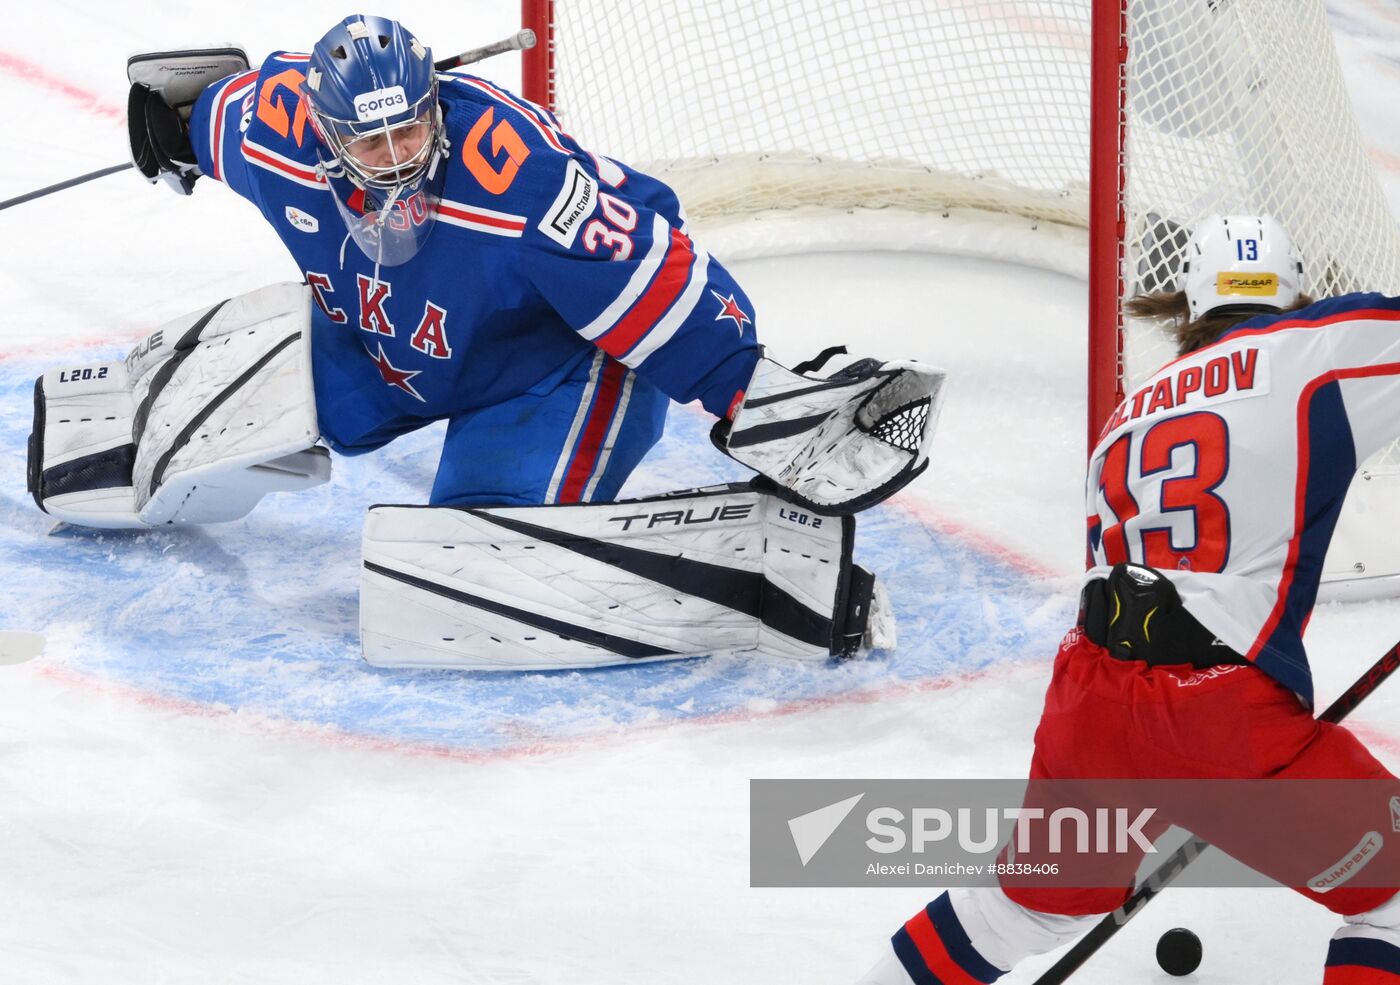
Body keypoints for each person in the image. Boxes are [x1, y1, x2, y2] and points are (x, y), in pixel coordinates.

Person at [27, 15, 941, 670]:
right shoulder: (274, 129)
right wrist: (173, 124)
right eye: (371, 142)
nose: (397, 156)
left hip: (554, 366)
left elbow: (652, 275)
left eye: (411, 128)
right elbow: (208, 107)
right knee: (186, 418)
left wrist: (754, 391)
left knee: (466, 567)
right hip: (389, 340)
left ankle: (766, 576)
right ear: (325, 133)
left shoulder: (521, 184)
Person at [856, 215, 1400, 984]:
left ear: (1192, 302)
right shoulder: (1313, 349)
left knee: (1020, 910)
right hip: (1214, 712)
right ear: (1296, 292)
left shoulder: (1132, 411)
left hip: (1089, 703)